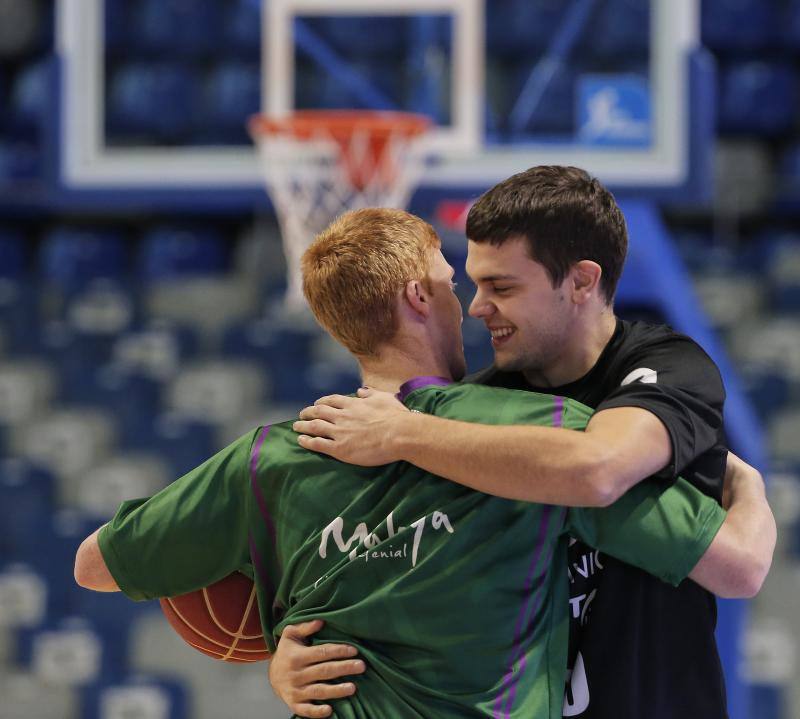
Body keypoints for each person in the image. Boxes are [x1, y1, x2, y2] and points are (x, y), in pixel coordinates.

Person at [73, 208, 771, 719]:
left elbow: (93, 565)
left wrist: (275, 636)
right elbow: (735, 562)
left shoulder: (270, 459)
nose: (469, 303)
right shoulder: (541, 438)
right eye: (448, 281)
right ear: (416, 298)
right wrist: (748, 483)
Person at [286, 169, 777, 719]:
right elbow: (382, 573)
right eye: (473, 283)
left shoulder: (665, 368)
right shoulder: (466, 418)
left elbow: (597, 471)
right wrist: (292, 655)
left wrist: (403, 432)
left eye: (503, 287)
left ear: (582, 282)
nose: (476, 306)